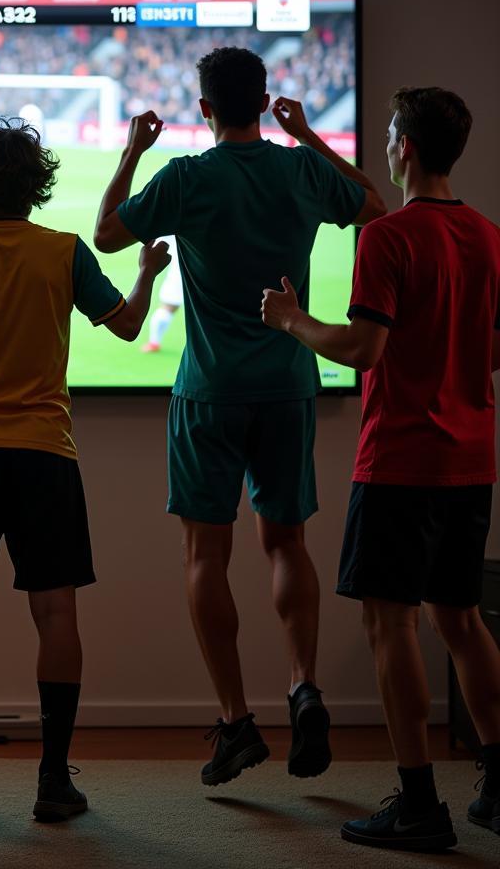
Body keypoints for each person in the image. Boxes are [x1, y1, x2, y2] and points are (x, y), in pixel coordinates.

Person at [94, 47, 386, 788]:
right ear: (265, 102)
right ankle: (305, 685)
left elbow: (105, 234)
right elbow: (376, 210)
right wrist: (312, 136)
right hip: (289, 383)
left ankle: (235, 722)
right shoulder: (299, 169)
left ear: (204, 109)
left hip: (210, 391)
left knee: (205, 557)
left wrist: (132, 150)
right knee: (287, 543)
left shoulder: (187, 176)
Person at [0, 118, 168, 821]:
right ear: (39, 183)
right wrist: (144, 272)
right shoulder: (64, 252)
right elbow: (131, 327)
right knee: (55, 612)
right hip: (47, 452)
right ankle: (52, 777)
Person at [262, 87, 500, 852]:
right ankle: (496, 785)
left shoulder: (389, 241)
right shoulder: (490, 238)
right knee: (461, 620)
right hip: (472, 456)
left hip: (401, 458)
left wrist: (292, 320)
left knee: (389, 621)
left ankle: (420, 803)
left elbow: (363, 349)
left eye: (390, 136)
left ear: (402, 147)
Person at [141, 235, 183, 354]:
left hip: (180, 272)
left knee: (167, 307)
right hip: (206, 270)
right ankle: (154, 342)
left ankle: (154, 342)